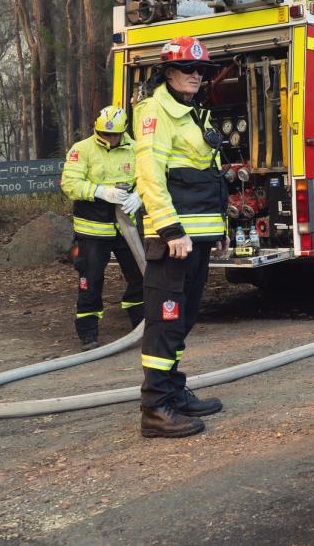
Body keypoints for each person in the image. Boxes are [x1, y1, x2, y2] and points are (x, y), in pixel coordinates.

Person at [134, 36, 227, 438]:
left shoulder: (194, 114)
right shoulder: (155, 112)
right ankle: (155, 408)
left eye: (200, 70)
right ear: (168, 72)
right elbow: (150, 174)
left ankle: (173, 391)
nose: (195, 75)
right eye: (187, 68)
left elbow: (209, 177)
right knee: (165, 322)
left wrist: (219, 231)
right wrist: (169, 227)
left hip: (199, 236)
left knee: (184, 318)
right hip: (173, 238)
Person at [60, 106, 144, 350]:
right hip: (93, 228)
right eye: (104, 134)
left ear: (124, 131)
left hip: (126, 226)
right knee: (91, 278)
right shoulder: (82, 149)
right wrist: (100, 192)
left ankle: (141, 325)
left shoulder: (136, 149)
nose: (109, 139)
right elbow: (70, 183)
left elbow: (151, 177)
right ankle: (88, 332)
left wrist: (139, 195)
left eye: (114, 135)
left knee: (139, 275)